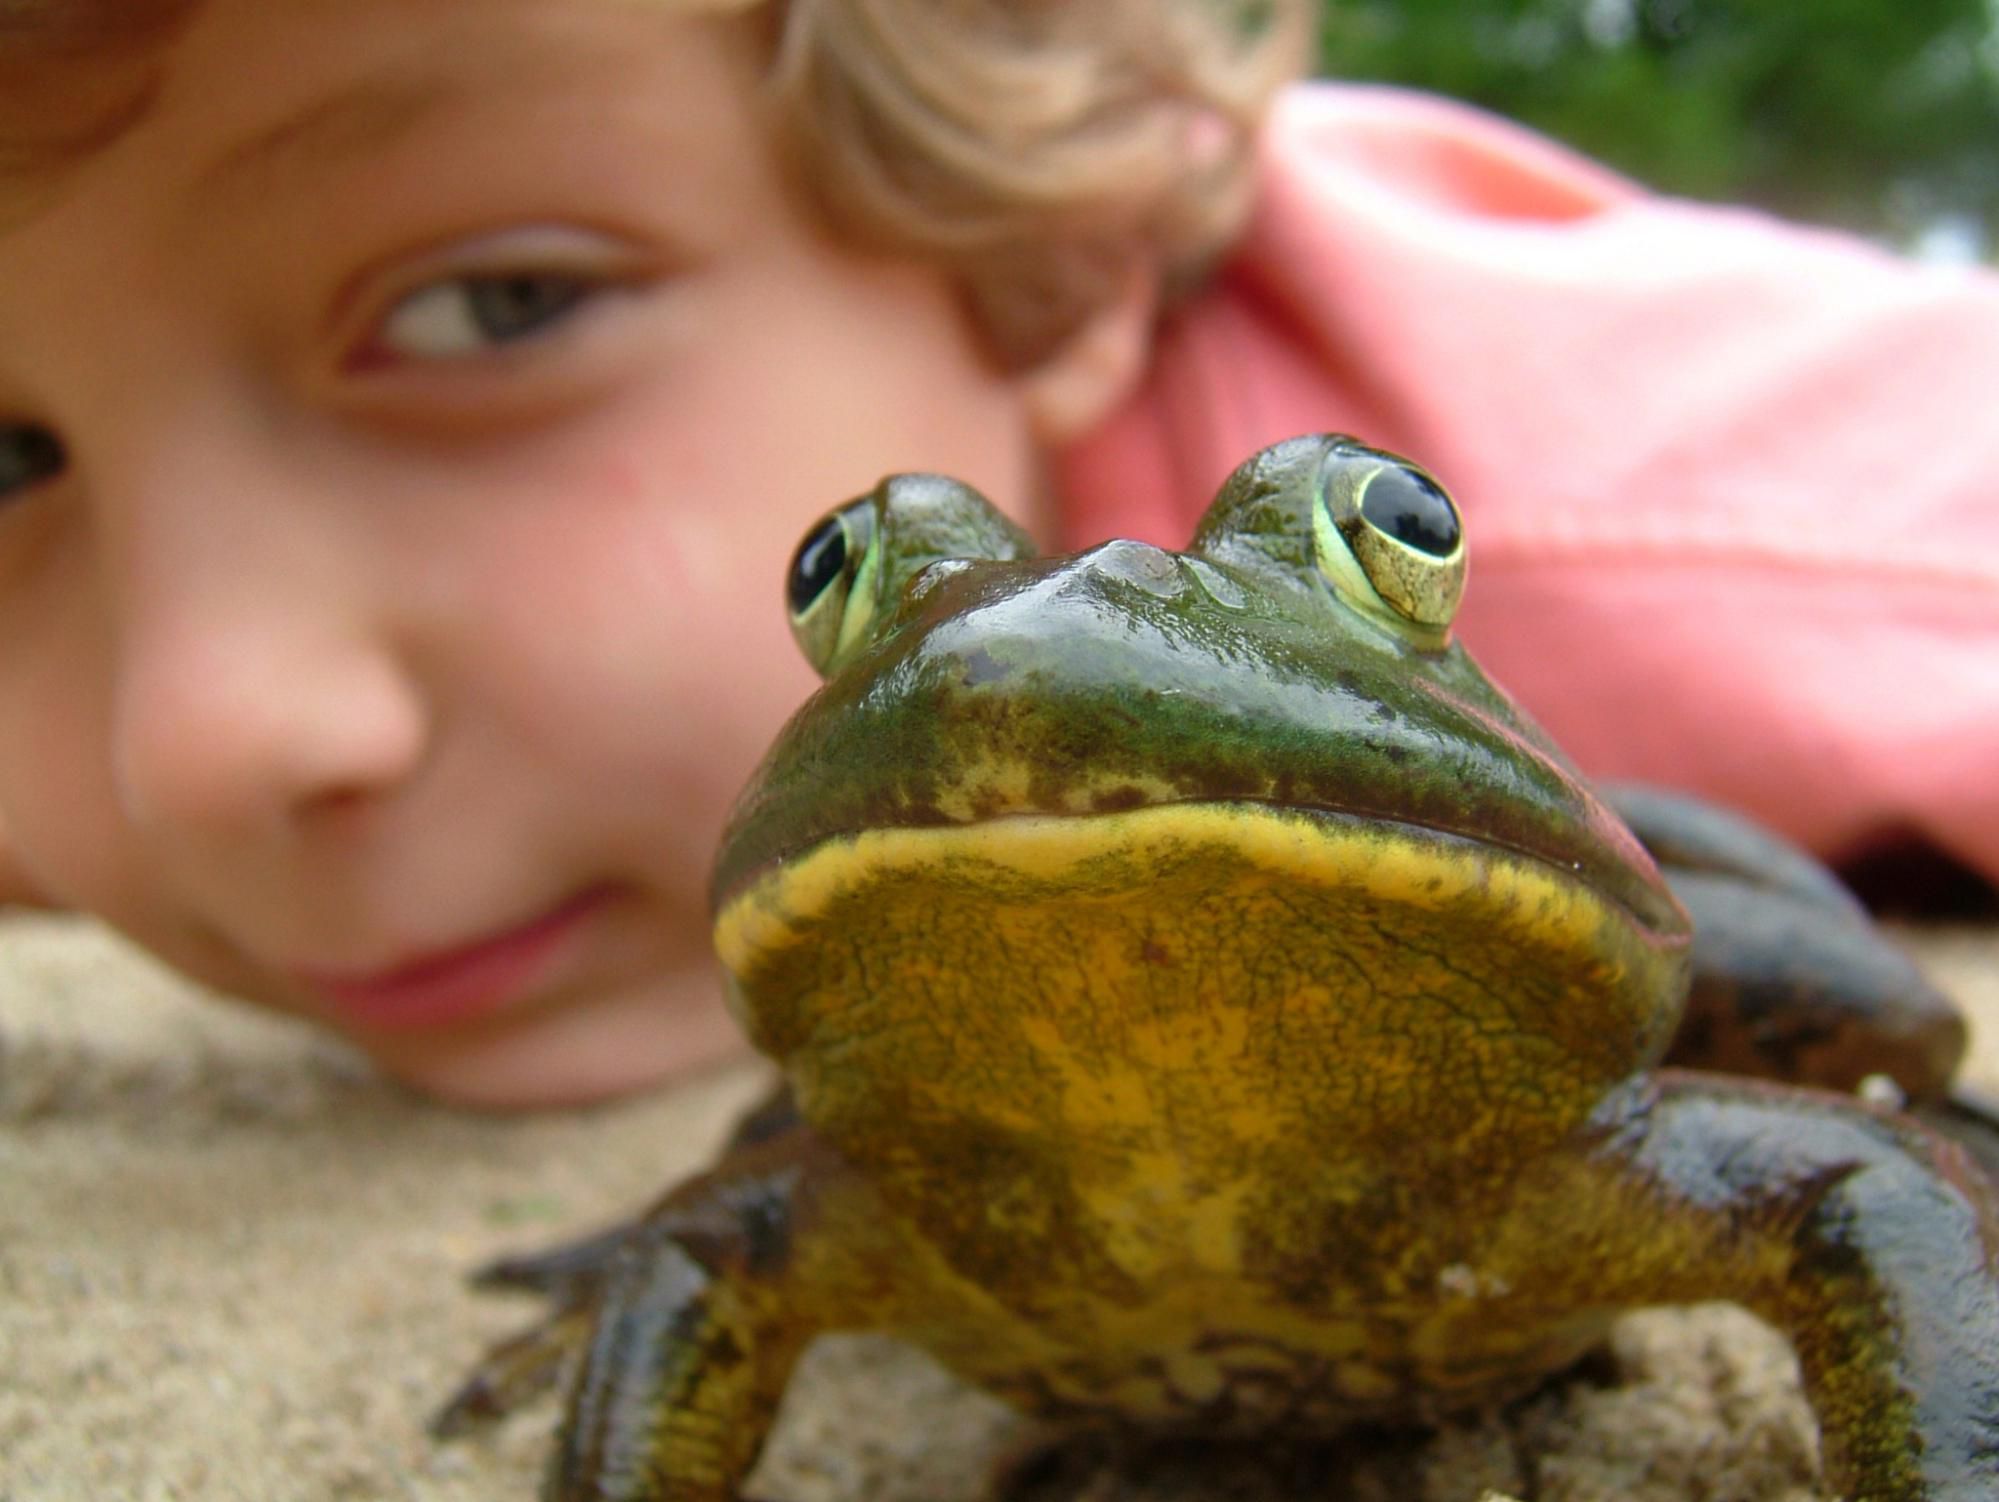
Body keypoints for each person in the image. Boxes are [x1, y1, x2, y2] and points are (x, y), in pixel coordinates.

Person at [0, 0, 1992, 1110]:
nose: (209, 739)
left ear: (1044, 268)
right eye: (9, 457)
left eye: (495, 306)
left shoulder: (1671, 552)